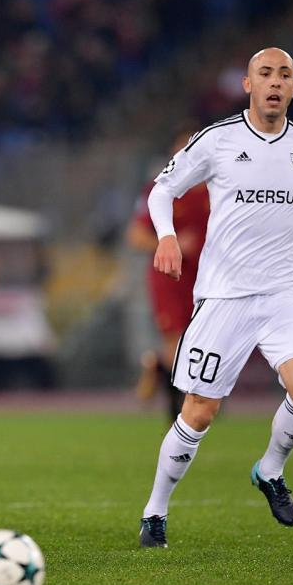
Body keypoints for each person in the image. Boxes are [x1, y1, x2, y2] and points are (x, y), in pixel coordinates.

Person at [138, 48, 293, 548]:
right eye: (265, 74)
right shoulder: (217, 140)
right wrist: (167, 236)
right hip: (224, 297)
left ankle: (271, 470)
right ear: (248, 85)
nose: (275, 82)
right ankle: (155, 512)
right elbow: (161, 190)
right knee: (199, 412)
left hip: (282, 293)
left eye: (285, 75)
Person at [127, 129, 210, 422]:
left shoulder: (221, 189)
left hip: (208, 278)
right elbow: (136, 236)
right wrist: (169, 241)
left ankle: (159, 368)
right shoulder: (160, 189)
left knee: (203, 342)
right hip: (171, 277)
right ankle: (177, 413)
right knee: (176, 339)